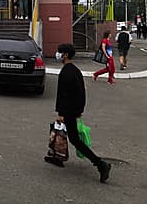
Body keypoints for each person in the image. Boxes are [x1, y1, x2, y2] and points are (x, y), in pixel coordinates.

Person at [45, 43, 111, 183]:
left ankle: (100, 164)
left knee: (73, 139)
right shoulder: (75, 70)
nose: (58, 54)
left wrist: (61, 113)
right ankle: (57, 156)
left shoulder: (66, 72)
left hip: (68, 111)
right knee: (62, 134)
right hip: (74, 110)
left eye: (59, 52)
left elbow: (63, 94)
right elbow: (81, 92)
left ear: (65, 55)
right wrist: (79, 110)